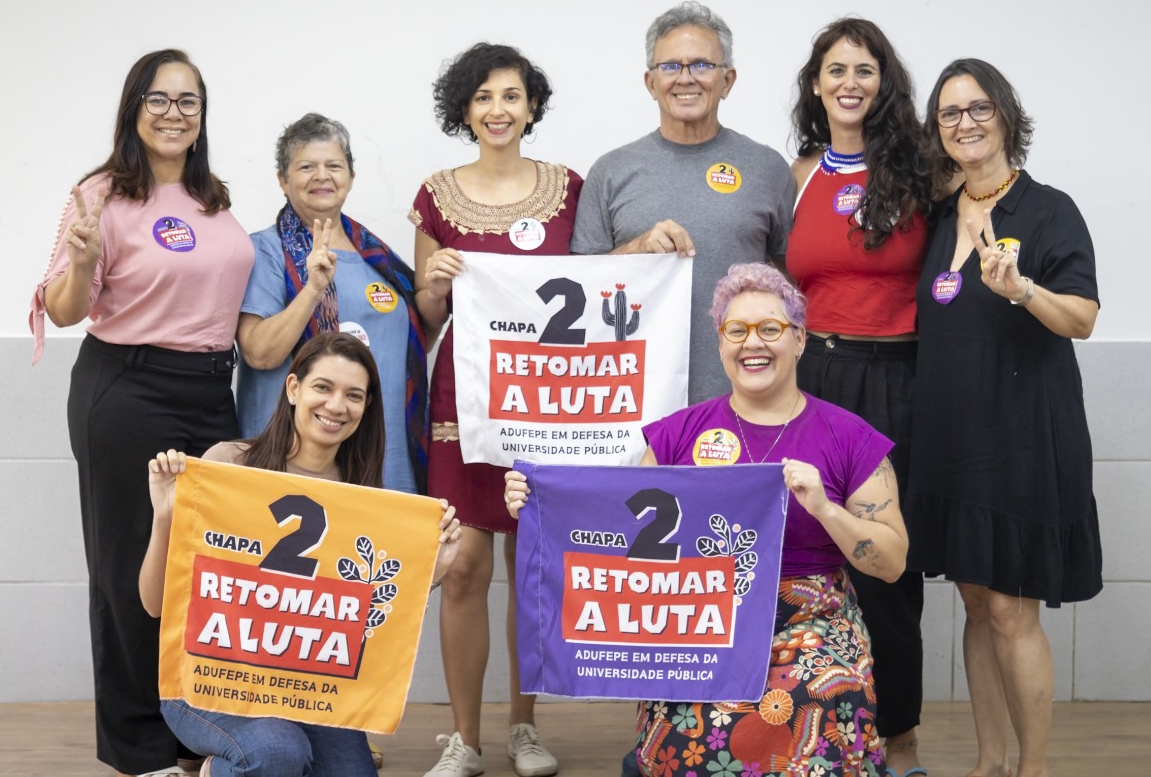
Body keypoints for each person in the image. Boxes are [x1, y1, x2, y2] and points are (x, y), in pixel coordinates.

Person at [507, 263, 910, 777]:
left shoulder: (849, 438)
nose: (752, 343)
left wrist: (826, 510)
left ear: (801, 339)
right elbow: (615, 534)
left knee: (812, 702)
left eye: (770, 329)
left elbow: (893, 563)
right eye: (736, 330)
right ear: (720, 343)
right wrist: (537, 499)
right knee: (689, 736)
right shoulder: (675, 436)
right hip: (700, 620)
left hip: (812, 622)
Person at [29, 49, 253, 776]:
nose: (173, 113)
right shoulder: (99, 194)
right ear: (133, 108)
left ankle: (195, 736)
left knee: (203, 570)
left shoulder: (212, 196)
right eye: (158, 99)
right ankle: (140, 749)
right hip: (126, 388)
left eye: (188, 101)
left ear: (202, 117)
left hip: (209, 390)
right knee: (130, 568)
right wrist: (80, 257)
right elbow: (65, 311)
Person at [139, 333, 463, 777]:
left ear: (366, 408)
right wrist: (163, 517)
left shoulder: (367, 501)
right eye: (323, 387)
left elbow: (369, 629)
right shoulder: (228, 465)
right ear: (293, 389)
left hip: (306, 687)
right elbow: (155, 604)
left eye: (354, 395)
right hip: (210, 680)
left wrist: (431, 574)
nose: (336, 406)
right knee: (279, 755)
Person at [907, 59, 1101, 777]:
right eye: (951, 113)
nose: (966, 123)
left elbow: (1081, 317)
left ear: (1007, 115)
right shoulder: (935, 212)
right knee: (977, 604)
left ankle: (1034, 767)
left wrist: (1024, 292)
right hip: (950, 441)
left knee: (1015, 611)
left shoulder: (1048, 210)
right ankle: (990, 761)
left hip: (1023, 437)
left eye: (979, 108)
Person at [412, 42, 583, 777]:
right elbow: (423, 315)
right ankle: (465, 738)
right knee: (463, 567)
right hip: (465, 396)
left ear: (533, 106)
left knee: (535, 563)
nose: (498, 109)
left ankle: (524, 726)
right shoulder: (434, 194)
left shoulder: (570, 188)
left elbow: (604, 279)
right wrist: (435, 280)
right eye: (482, 97)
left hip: (547, 396)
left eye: (511, 95)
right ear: (464, 111)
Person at [785, 17, 931, 777]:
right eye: (836, 69)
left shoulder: (922, 171)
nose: (850, 82)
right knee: (810, 555)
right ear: (816, 83)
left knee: (888, 569)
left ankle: (899, 742)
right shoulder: (801, 171)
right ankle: (817, 730)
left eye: (865, 70)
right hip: (814, 380)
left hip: (898, 380)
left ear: (883, 84)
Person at [570, 1, 796, 403]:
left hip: (745, 397)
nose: (685, 78)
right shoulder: (610, 171)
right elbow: (580, 291)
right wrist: (637, 249)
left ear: (728, 80)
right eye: (670, 66)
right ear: (650, 82)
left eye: (702, 66)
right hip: (632, 400)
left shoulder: (768, 169)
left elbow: (791, 282)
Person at [235, 113, 427, 495]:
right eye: (306, 166)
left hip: (381, 454)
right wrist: (312, 289)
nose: (322, 175)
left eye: (333, 166)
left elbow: (416, 340)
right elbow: (259, 353)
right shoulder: (267, 250)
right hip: (293, 460)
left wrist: (437, 289)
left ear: (351, 177)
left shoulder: (380, 259)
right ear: (283, 179)